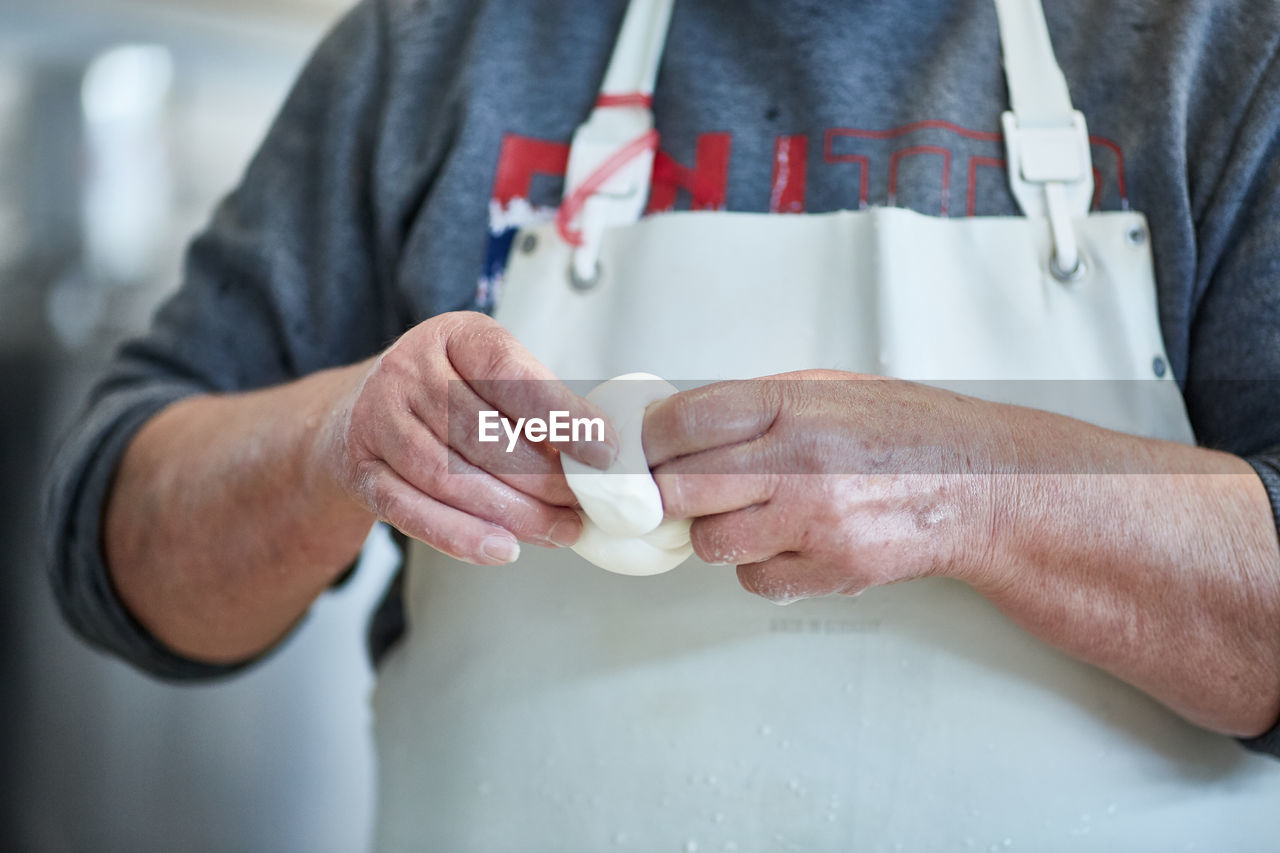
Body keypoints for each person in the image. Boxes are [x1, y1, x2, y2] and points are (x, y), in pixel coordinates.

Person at [45, 0, 1280, 848]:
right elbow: (117, 551)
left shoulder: (1216, 50)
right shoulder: (435, 48)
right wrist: (338, 441)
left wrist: (972, 486)